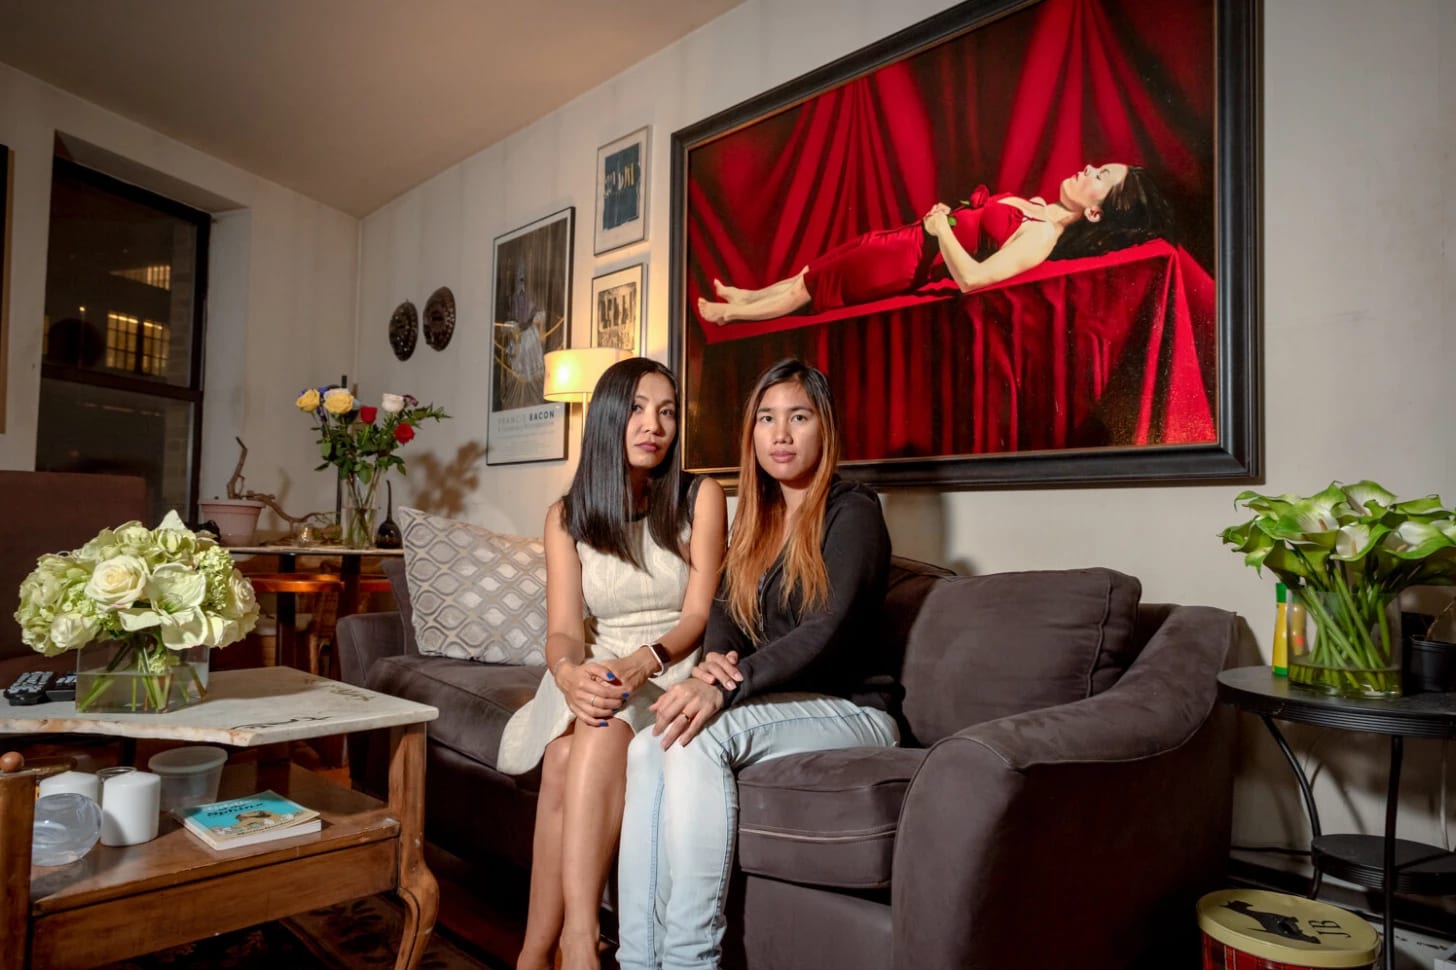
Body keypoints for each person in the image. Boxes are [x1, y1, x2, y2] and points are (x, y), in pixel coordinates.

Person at [615, 358, 900, 970]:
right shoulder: (758, 520)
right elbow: (725, 619)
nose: (781, 435)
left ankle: (690, 961)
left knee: (691, 740)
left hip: (853, 709)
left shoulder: (855, 512)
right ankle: (638, 960)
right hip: (780, 707)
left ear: (824, 428)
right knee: (646, 744)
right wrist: (710, 667)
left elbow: (826, 631)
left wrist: (724, 687)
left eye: (798, 418)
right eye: (767, 420)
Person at [498, 357, 727, 970]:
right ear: (606, 416)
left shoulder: (699, 496)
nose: (653, 425)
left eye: (667, 411)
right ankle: (540, 949)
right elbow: (566, 632)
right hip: (595, 672)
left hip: (667, 665)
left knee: (580, 746)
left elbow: (698, 616)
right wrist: (569, 675)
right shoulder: (567, 515)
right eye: (636, 408)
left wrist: (642, 662)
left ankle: (571, 943)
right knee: (563, 751)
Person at [696, 162, 1173, 324]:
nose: (1088, 170)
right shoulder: (1038, 207)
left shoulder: (1044, 236)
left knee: (812, 288)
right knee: (810, 272)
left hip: (908, 263)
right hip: (904, 240)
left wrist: (942, 227)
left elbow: (973, 279)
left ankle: (731, 313)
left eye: (1100, 177)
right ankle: (749, 295)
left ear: (1096, 211)